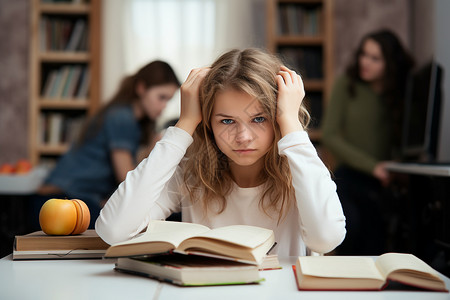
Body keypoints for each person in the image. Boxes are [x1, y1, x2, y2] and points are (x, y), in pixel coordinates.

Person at [95, 48, 346, 257]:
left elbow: (326, 239)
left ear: (277, 119)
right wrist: (184, 124)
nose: (243, 137)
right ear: (208, 124)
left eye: (259, 119)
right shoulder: (192, 174)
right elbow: (113, 230)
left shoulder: (299, 171)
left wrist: (290, 122)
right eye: (227, 121)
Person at [34, 61, 180, 229]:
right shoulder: (122, 118)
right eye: (161, 97)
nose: (163, 106)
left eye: (168, 100)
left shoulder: (130, 119)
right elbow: (126, 178)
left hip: (74, 199)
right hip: (60, 201)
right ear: (141, 88)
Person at [321, 29, 414, 255]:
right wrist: (373, 166)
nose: (365, 62)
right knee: (349, 227)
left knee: (380, 240)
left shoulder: (401, 93)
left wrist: (396, 166)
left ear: (389, 64)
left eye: (375, 58)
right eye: (364, 54)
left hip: (383, 181)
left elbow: (404, 141)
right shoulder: (347, 84)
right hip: (350, 175)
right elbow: (328, 135)